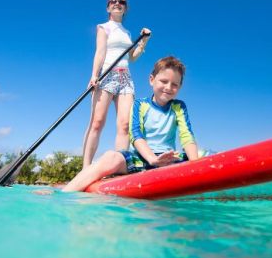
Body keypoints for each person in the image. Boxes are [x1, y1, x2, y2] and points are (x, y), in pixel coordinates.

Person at [63, 56, 198, 192]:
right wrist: (152, 159)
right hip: (142, 159)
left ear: (180, 87)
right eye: (164, 81)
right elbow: (136, 135)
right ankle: (65, 193)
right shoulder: (140, 104)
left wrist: (195, 165)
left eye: (175, 84)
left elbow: (186, 136)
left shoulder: (179, 106)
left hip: (169, 160)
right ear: (152, 80)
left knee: (204, 154)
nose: (168, 87)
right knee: (111, 156)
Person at [82, 0, 151, 169]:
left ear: (125, 8)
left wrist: (143, 41)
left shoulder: (127, 33)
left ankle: (118, 167)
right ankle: (86, 168)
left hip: (125, 78)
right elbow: (100, 52)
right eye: (113, 1)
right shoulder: (103, 27)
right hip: (106, 76)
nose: (117, 4)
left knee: (125, 125)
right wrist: (94, 75)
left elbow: (132, 57)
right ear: (108, 7)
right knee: (97, 122)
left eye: (121, 2)